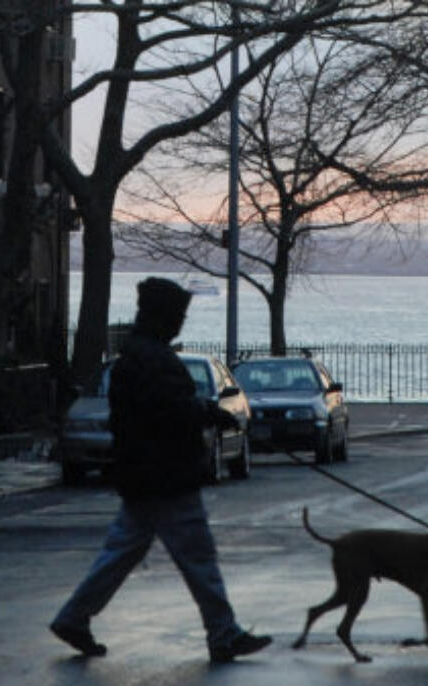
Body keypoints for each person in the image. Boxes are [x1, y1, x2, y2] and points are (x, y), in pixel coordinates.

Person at [50, 277, 272, 663]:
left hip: (141, 475)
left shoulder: (132, 359)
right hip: (167, 475)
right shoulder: (154, 360)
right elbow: (170, 412)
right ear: (162, 317)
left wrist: (202, 411)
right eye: (178, 316)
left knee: (121, 552)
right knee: (197, 555)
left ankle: (74, 617)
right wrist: (208, 412)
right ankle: (222, 633)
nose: (180, 323)